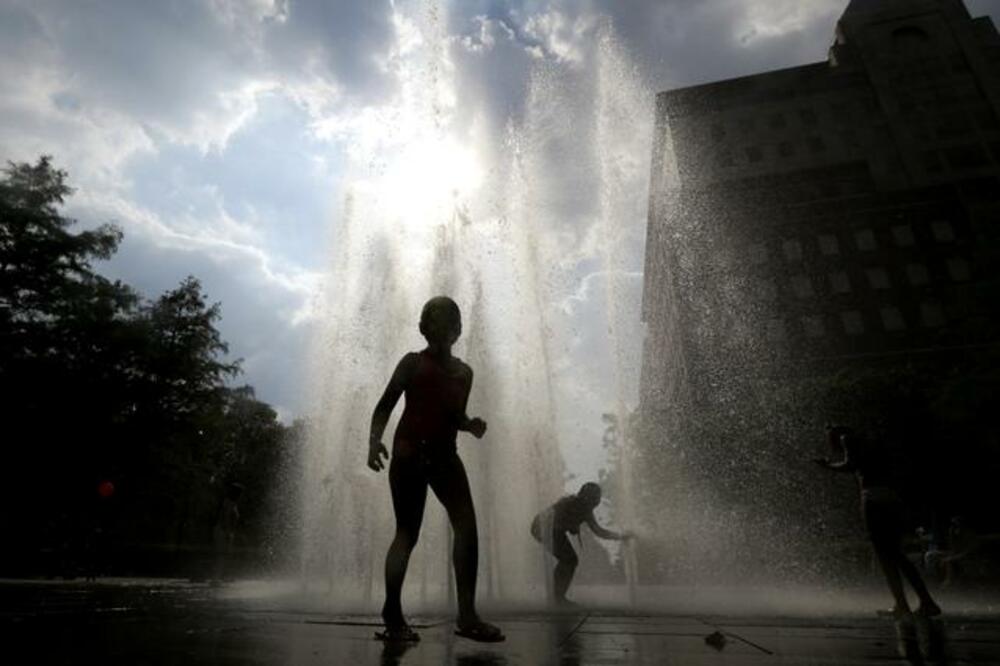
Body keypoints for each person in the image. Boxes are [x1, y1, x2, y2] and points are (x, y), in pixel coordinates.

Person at [367, 296, 504, 643]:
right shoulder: (411, 363)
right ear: (424, 327)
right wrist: (373, 442)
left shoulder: (465, 372)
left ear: (458, 329)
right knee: (407, 533)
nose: (442, 326)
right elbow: (384, 405)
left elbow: (453, 414)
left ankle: (468, 615)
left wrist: (469, 424)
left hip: (445, 456)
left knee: (468, 529)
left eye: (449, 320)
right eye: (435, 319)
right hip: (408, 455)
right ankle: (393, 612)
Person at [815, 425, 941, 619]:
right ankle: (918, 602)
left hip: (874, 500)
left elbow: (851, 465)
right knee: (896, 554)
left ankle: (910, 603)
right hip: (891, 498)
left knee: (886, 556)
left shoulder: (846, 438)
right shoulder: (872, 441)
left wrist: (828, 466)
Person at [531, 482, 632, 607]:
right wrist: (569, 526)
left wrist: (620, 537)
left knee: (568, 560)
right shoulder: (569, 503)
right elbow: (551, 518)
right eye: (595, 496)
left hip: (551, 529)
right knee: (569, 560)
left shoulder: (585, 510)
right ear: (586, 496)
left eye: (598, 497)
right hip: (541, 527)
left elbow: (598, 531)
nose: (597, 500)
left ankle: (556, 596)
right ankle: (557, 597)